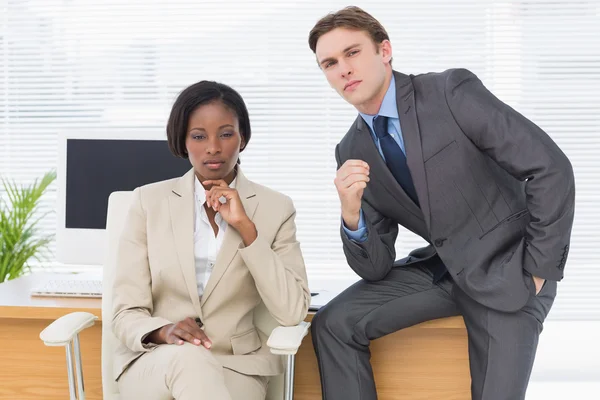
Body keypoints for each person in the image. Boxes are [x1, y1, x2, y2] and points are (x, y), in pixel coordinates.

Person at [307, 6, 575, 400]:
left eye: (352, 53)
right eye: (329, 63)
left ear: (384, 51)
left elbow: (550, 169)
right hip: (440, 269)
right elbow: (376, 266)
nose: (343, 69)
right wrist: (351, 213)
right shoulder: (351, 149)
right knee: (334, 323)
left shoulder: (449, 92)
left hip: (509, 268)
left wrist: (537, 270)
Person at [111, 80, 311, 400]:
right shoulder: (148, 203)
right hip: (159, 361)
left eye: (226, 133)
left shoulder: (276, 208)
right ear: (183, 141)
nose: (213, 147)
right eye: (199, 136)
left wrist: (247, 229)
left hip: (235, 367)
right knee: (189, 359)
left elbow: (291, 312)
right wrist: (164, 331)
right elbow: (125, 312)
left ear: (242, 137)